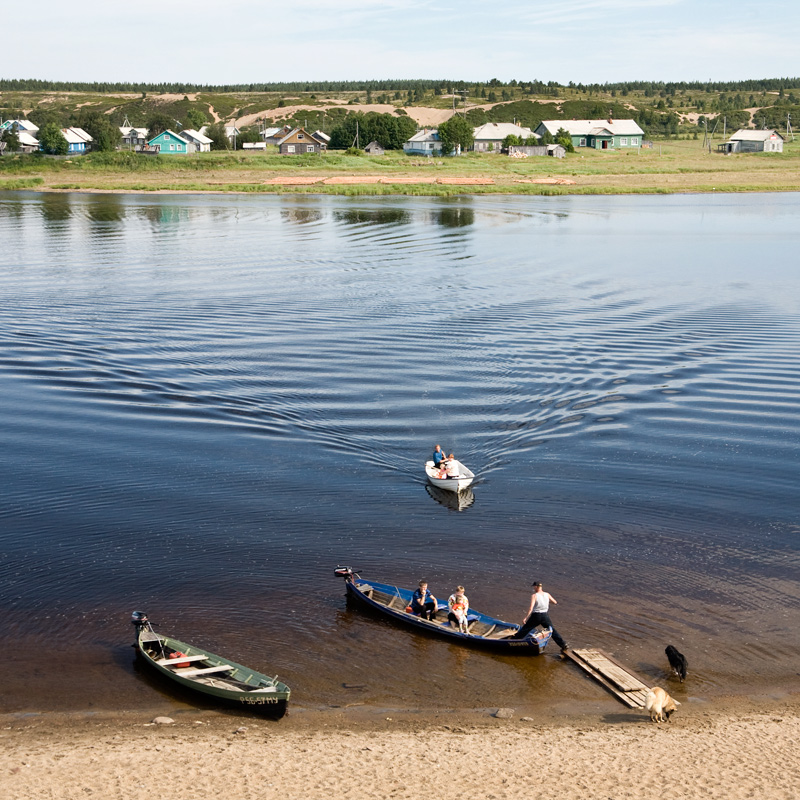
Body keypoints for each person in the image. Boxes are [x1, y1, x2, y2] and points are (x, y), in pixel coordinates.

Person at [510, 581, 569, 650]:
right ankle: (563, 644)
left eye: (534, 587)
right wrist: (546, 601)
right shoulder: (547, 594)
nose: (533, 588)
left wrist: (525, 618)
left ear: (537, 587)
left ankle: (513, 641)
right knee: (552, 630)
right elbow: (555, 602)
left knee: (526, 629)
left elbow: (531, 608)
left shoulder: (534, 596)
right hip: (545, 616)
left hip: (536, 616)